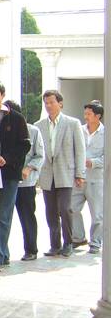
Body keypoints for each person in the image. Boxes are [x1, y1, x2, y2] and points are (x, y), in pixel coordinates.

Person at [0, 81, 31, 271]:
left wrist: (7, 158)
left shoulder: (15, 118)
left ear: (2, 95)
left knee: (4, 213)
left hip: (9, 172)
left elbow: (24, 144)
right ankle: (4, 253)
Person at [35, 89, 86, 258]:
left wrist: (80, 174)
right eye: (46, 103)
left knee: (65, 209)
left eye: (52, 102)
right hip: (47, 174)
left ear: (60, 103)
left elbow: (80, 150)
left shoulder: (72, 123)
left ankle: (68, 242)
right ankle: (54, 245)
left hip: (66, 173)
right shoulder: (39, 125)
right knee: (50, 212)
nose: (48, 106)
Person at [6, 100, 44, 261]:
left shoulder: (33, 131)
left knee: (27, 216)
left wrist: (28, 168)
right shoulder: (0, 129)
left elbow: (40, 155)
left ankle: (31, 249)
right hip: (6, 181)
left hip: (25, 183)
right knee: (2, 217)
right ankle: (0, 252)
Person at [71, 100, 104, 254]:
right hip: (79, 178)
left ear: (98, 116)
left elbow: (107, 156)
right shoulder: (79, 130)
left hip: (96, 179)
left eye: (89, 114)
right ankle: (78, 237)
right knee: (72, 208)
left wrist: (94, 162)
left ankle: (96, 242)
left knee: (97, 214)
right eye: (85, 114)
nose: (85, 117)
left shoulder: (106, 133)